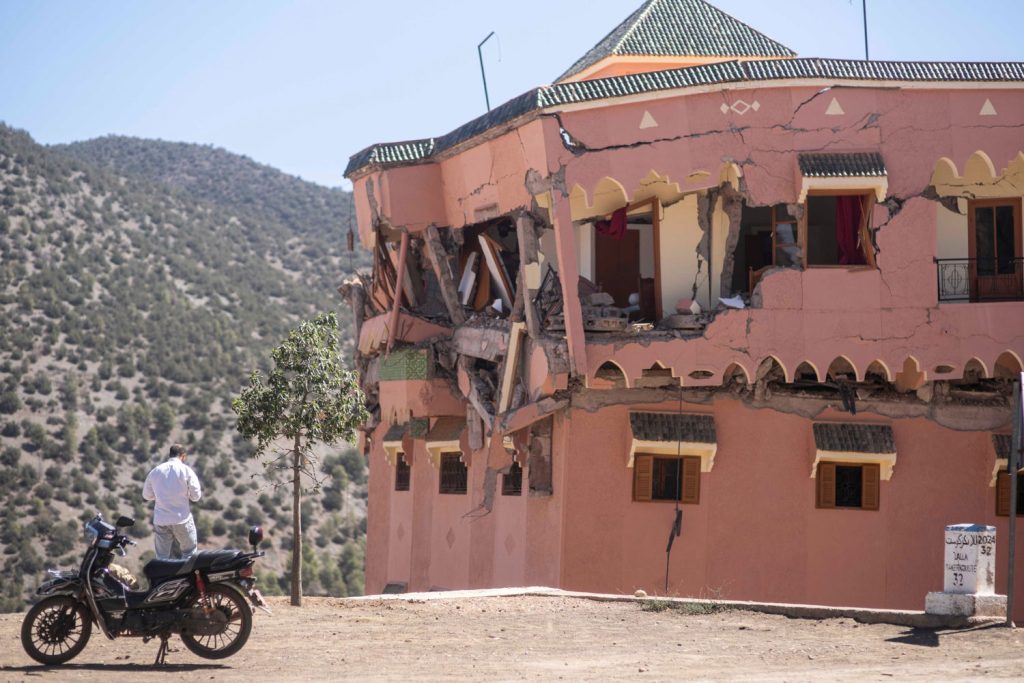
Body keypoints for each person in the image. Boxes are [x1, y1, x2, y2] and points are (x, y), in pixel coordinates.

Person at [142, 444, 202, 560]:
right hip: (182, 519)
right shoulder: (186, 471)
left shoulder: (155, 471)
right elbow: (196, 497)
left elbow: (146, 495)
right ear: (183, 456)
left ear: (170, 455)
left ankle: (163, 577)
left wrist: (160, 496)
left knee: (162, 557)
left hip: (161, 519)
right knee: (189, 553)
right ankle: (187, 577)